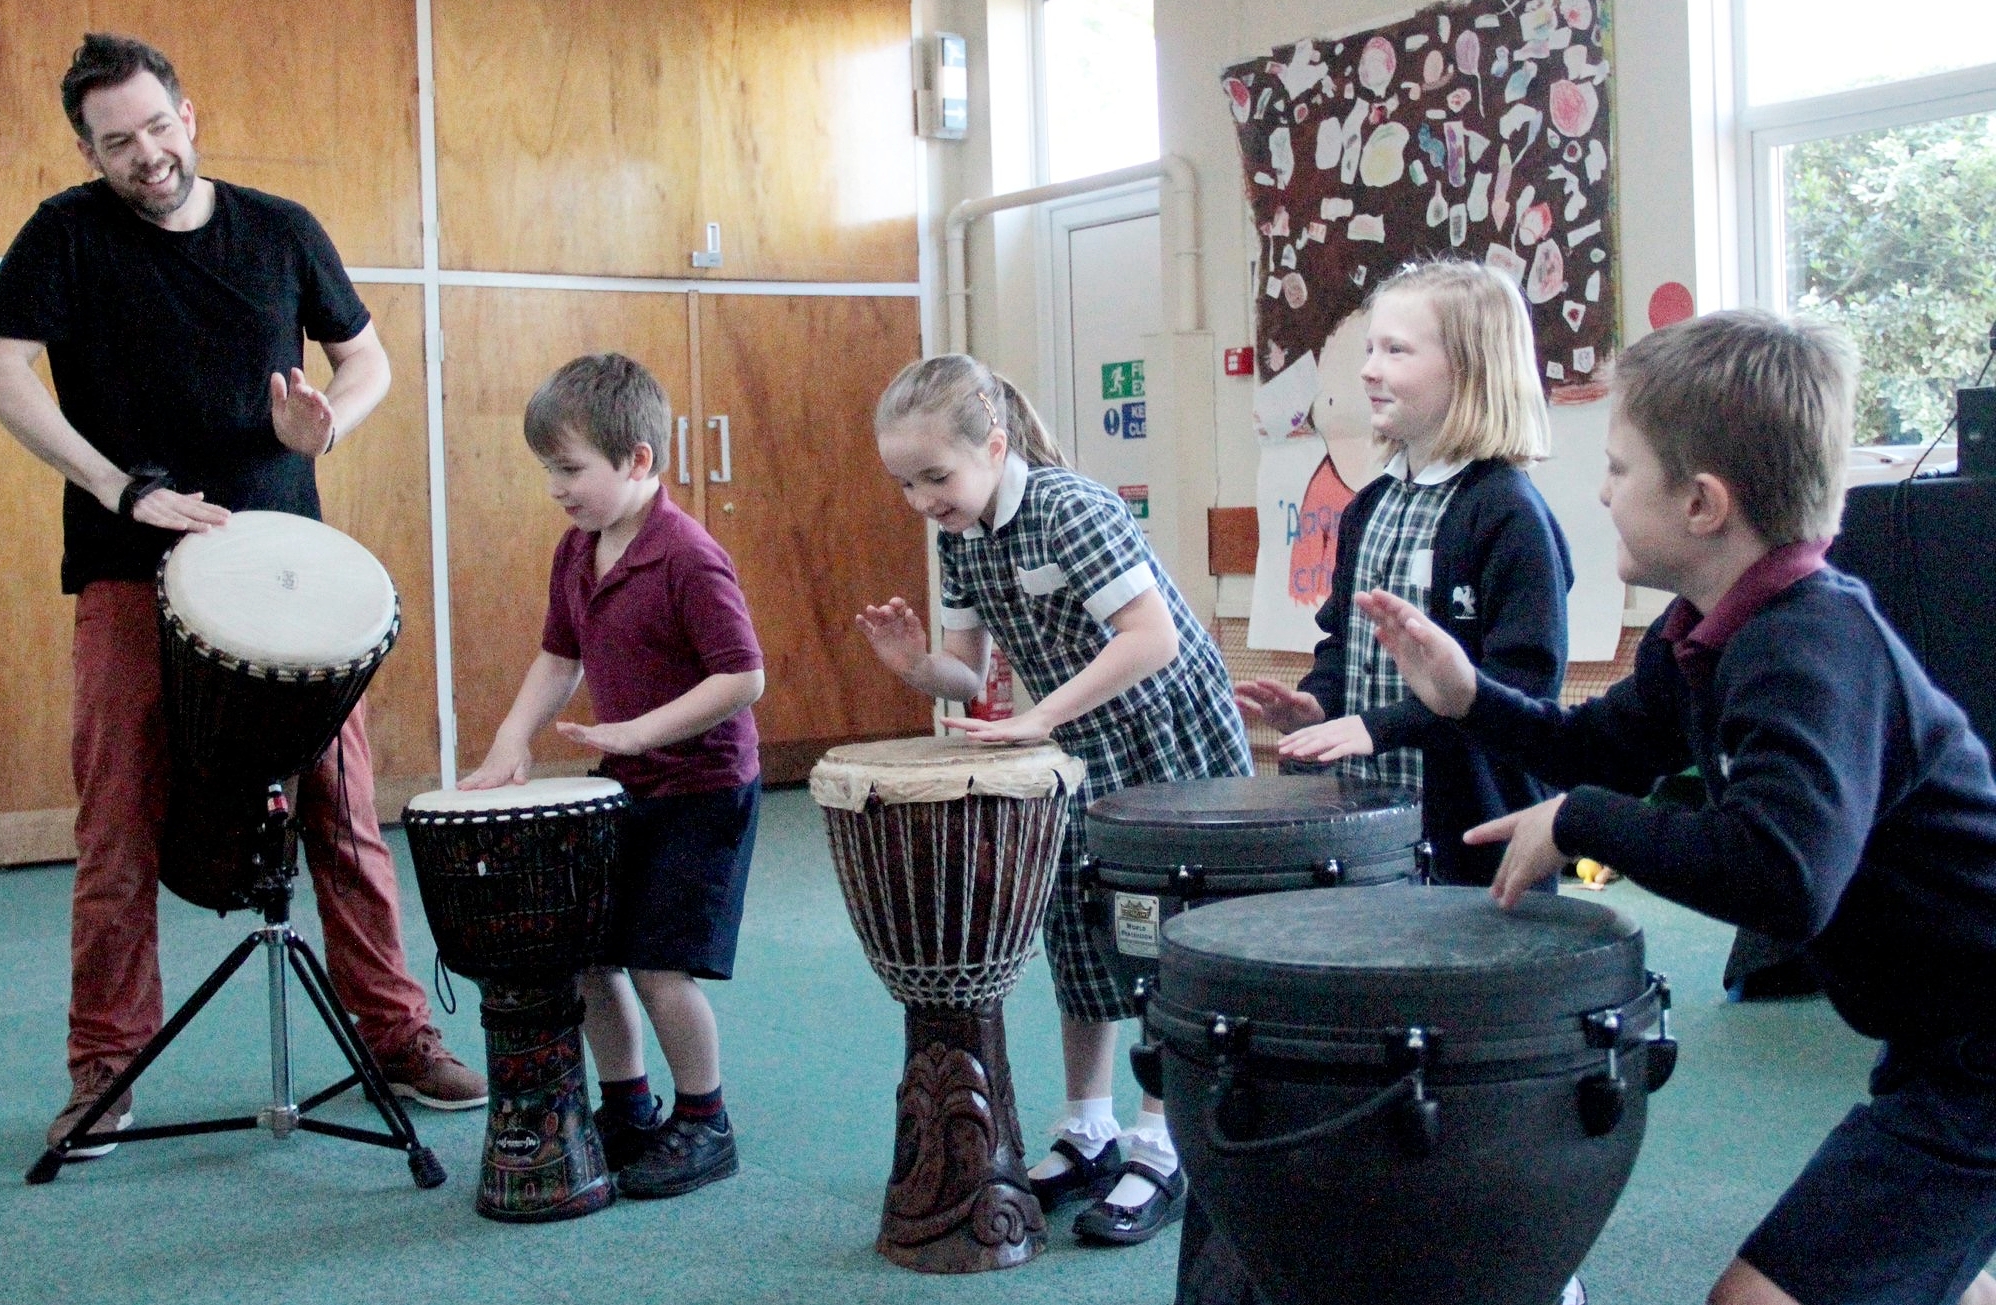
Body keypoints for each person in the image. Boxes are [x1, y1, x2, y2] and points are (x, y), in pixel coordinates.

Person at [1358, 310, 1996, 1305]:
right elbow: (1595, 745)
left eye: (1618, 469)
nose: (1602, 492)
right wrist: (1467, 697)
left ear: (1700, 503)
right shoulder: (1701, 631)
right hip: (1936, 1032)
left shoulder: (1807, 648)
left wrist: (1579, 821)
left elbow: (1781, 876)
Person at [0, 33, 484, 1158]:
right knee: (115, 823)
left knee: (343, 809)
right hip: (127, 567)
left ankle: (397, 1034)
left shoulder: (281, 229)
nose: (146, 154)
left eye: (157, 127)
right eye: (117, 142)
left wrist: (327, 426)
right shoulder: (64, 235)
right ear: (90, 151)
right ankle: (105, 1066)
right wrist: (118, 485)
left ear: (188, 116)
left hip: (285, 569)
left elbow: (367, 358)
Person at [857, 354, 1252, 1246]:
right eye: (905, 483)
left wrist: (1039, 716)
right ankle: (1089, 1127)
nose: (921, 499)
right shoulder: (960, 534)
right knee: (1077, 927)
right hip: (1075, 743)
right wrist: (917, 665)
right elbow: (968, 672)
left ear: (995, 447)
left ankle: (1163, 1142)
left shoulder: (1072, 507)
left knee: (1158, 936)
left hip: (1165, 737)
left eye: (936, 476)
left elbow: (1151, 638)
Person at [460, 352, 764, 1200]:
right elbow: (558, 657)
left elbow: (743, 677)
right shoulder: (577, 549)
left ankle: (705, 1120)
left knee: (663, 967)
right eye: (548, 469)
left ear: (637, 459)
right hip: (626, 784)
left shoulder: (689, 555)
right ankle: (629, 1107)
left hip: (705, 788)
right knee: (593, 955)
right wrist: (510, 739)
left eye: (569, 469)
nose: (555, 487)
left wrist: (638, 730)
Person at [1234, 260, 1573, 888]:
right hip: (1372, 834)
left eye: (1395, 350)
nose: (1368, 369)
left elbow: (1522, 685)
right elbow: (1343, 643)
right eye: (1369, 349)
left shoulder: (1508, 513)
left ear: (1468, 370)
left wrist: (1378, 727)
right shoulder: (1369, 505)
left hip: (1474, 837)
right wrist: (1319, 704)